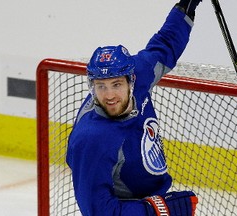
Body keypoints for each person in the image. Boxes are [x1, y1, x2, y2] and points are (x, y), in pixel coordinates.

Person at [66, 0, 202, 215]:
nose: (109, 95)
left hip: (151, 199)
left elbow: (164, 46)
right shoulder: (92, 140)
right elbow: (97, 211)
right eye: (101, 86)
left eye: (116, 85)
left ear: (131, 81)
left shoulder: (140, 73)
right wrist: (156, 210)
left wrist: (186, 8)